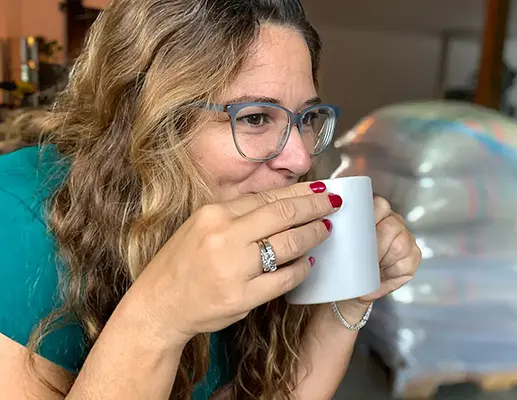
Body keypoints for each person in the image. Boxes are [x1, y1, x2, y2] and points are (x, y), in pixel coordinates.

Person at [0, 0, 421, 399]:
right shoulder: (18, 219)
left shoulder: (231, 214)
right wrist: (157, 317)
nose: (300, 157)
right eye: (255, 117)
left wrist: (345, 298)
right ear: (151, 124)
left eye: (306, 118)